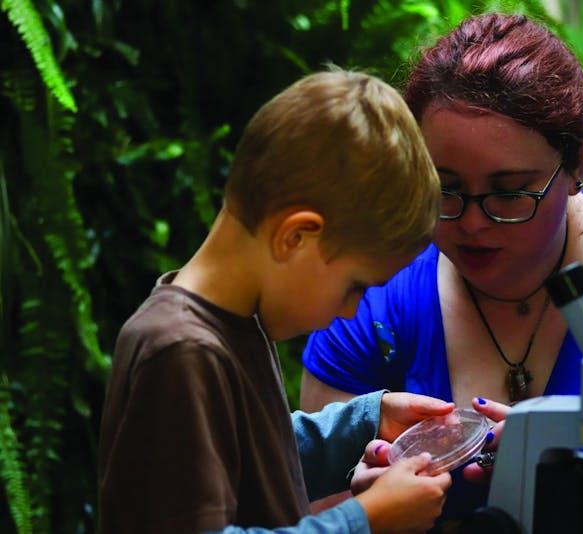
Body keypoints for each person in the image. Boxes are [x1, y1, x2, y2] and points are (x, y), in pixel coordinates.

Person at [300, 12, 583, 529]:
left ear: (576, 164)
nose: (472, 223)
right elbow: (308, 504)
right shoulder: (374, 294)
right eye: (443, 188)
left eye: (510, 192)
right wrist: (366, 512)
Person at [97, 69, 459, 534]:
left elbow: (255, 457)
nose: (352, 311)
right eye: (356, 286)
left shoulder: (235, 323)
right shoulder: (181, 351)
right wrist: (363, 521)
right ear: (295, 237)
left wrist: (367, 422)